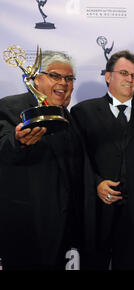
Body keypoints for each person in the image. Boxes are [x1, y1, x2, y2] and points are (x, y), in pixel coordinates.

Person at [70, 50, 134, 269]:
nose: (130, 79)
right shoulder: (82, 112)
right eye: (124, 73)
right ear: (108, 76)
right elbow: (77, 160)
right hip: (97, 215)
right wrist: (96, 183)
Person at [0, 51, 83, 269]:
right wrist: (19, 142)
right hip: (26, 228)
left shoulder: (68, 116)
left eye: (69, 78)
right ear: (36, 79)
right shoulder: (11, 107)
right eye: (55, 76)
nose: (64, 83)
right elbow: (3, 146)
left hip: (64, 231)